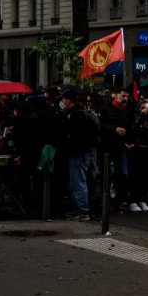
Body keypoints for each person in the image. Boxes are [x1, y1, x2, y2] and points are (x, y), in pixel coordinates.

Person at [58, 89, 94, 221]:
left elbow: (74, 136)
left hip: (77, 153)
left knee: (77, 182)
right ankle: (79, 209)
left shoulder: (75, 115)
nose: (62, 102)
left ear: (68, 100)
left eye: (63, 99)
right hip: (80, 153)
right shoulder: (78, 113)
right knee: (75, 182)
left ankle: (82, 211)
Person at [100, 88, 134, 212]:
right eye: (123, 96)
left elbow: (130, 127)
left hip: (121, 146)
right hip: (108, 146)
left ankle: (120, 199)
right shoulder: (105, 108)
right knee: (107, 174)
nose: (125, 99)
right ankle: (107, 200)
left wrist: (129, 142)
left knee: (123, 174)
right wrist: (114, 129)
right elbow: (102, 125)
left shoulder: (127, 111)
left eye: (127, 96)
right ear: (116, 96)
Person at [128, 100, 148, 212]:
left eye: (147, 107)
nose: (145, 109)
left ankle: (143, 199)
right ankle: (133, 200)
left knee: (146, 176)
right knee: (135, 176)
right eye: (142, 108)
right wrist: (142, 114)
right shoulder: (136, 118)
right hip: (137, 149)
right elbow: (134, 130)